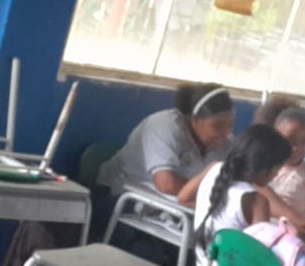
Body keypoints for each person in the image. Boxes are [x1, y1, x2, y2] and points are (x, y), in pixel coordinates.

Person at [94, 84, 235, 229]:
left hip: (169, 206)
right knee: (149, 249)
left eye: (230, 126)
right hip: (119, 199)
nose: (225, 133)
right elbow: (166, 184)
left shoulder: (225, 142)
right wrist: (217, 197)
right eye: (217, 127)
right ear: (195, 120)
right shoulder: (163, 126)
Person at [187, 124, 293, 266]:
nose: (276, 175)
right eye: (277, 168)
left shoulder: (214, 169)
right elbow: (262, 258)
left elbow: (183, 197)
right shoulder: (256, 201)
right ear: (264, 167)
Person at [255, 100, 305, 235]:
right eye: (290, 140)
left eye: (303, 141)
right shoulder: (261, 167)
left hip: (295, 234)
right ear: (274, 136)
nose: (296, 148)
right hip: (264, 230)